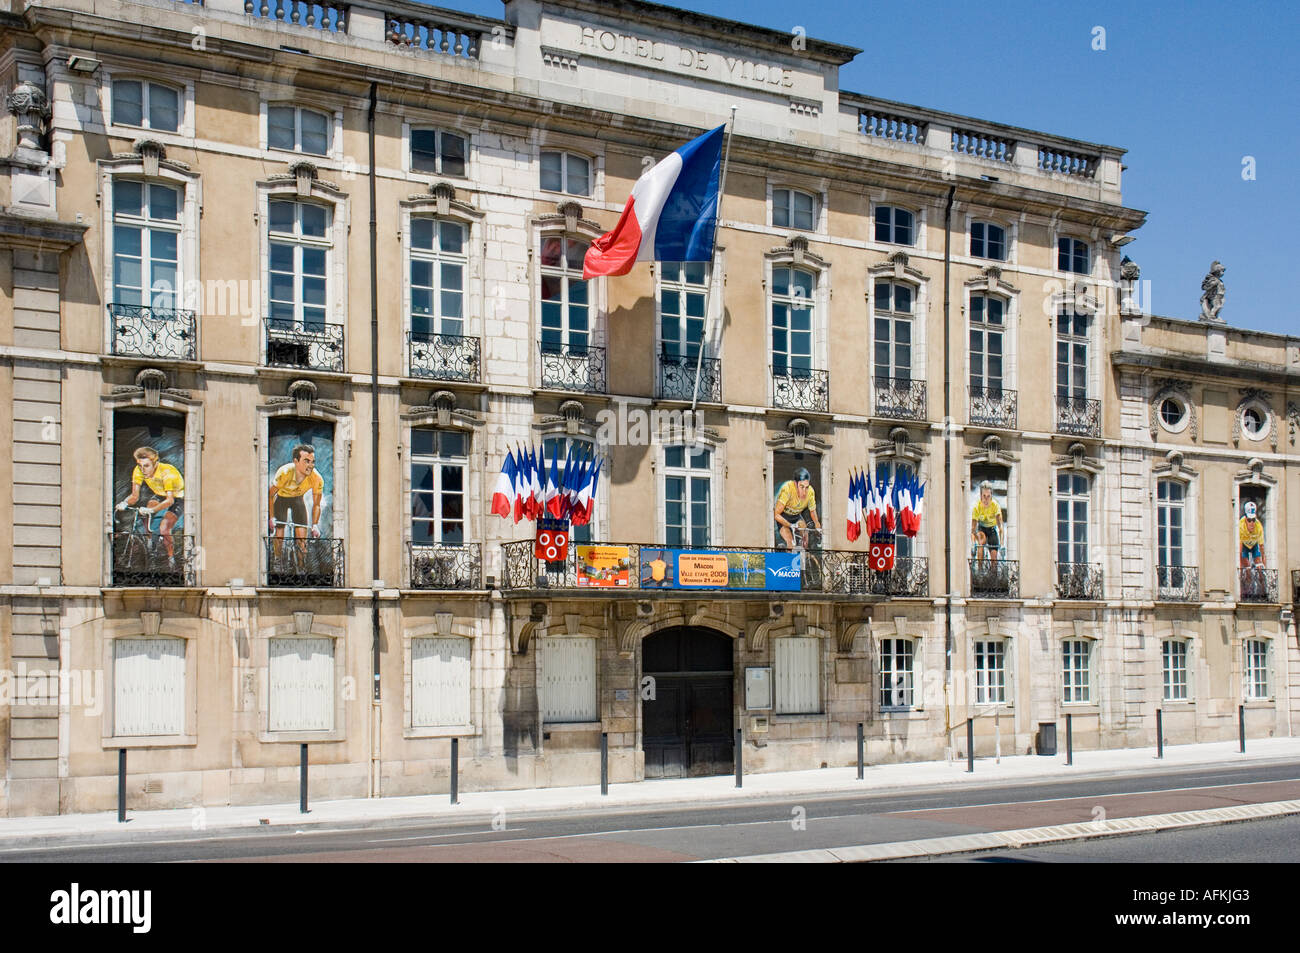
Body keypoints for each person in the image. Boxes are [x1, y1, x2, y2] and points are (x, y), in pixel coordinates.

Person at [115, 446, 184, 565]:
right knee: (147, 511)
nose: (142, 469)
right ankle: (150, 540)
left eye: (146, 466)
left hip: (177, 497)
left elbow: (169, 501)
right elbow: (134, 496)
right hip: (159, 493)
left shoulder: (168, 472)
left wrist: (151, 510)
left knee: (164, 527)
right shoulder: (139, 469)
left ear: (155, 463)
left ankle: (171, 558)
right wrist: (124, 503)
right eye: (140, 465)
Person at [269, 443, 325, 559]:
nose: (311, 465)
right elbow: (270, 495)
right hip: (282, 498)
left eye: (312, 461)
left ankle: (301, 566)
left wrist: (315, 524)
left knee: (301, 536)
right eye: (306, 461)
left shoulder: (317, 478)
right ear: (296, 461)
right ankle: (277, 560)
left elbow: (317, 504)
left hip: (297, 499)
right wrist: (271, 517)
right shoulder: (284, 472)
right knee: (279, 531)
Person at [774, 467, 821, 549]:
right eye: (801, 487)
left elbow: (812, 511)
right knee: (790, 542)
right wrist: (790, 525)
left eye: (806, 487)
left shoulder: (810, 492)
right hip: (783, 516)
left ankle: (804, 556)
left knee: (805, 535)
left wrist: (817, 525)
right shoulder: (787, 489)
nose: (804, 492)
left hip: (795, 516)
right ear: (795, 484)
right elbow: (776, 514)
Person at [971, 481, 1003, 566]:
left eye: (988, 496)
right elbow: (973, 529)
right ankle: (980, 569)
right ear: (981, 496)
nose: (986, 499)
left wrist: (1002, 544)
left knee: (994, 556)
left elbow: (1000, 528)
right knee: (981, 542)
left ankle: (993, 573)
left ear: (991, 496)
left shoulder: (995, 506)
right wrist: (973, 544)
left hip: (992, 529)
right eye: (984, 496)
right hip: (982, 528)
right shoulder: (977, 507)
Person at [1239, 501, 1265, 569]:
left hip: (1254, 543)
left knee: (1258, 562)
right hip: (1244, 544)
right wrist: (1240, 565)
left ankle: (1261, 578)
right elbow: (1240, 549)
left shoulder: (1258, 526)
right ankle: (1247, 577)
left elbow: (1261, 546)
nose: (1252, 523)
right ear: (1245, 519)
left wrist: (1264, 561)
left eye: (1253, 520)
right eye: (1249, 520)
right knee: (1246, 564)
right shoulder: (1240, 526)